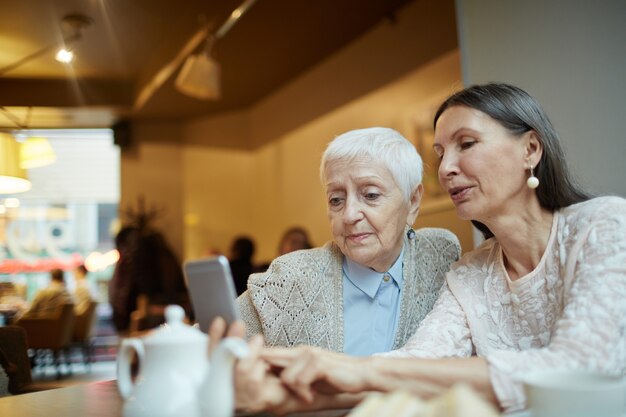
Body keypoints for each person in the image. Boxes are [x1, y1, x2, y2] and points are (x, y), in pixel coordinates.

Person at [226, 83, 626, 414]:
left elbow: (581, 367)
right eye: (440, 153)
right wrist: (280, 398)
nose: (446, 167)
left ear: (531, 150)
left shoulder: (604, 225)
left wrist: (353, 369)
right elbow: (416, 365)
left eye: (465, 144)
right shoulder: (470, 272)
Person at [236, 127, 461, 356]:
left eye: (371, 195)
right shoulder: (289, 279)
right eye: (336, 200)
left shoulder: (440, 255)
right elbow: (207, 340)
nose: (349, 215)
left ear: (412, 202)